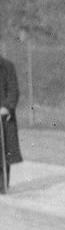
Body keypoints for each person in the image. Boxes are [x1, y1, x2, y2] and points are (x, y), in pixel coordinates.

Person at [0, 51, 20, 192]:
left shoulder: (7, 66)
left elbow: (14, 90)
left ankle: (2, 185)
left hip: (2, 117)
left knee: (4, 150)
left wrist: (7, 107)